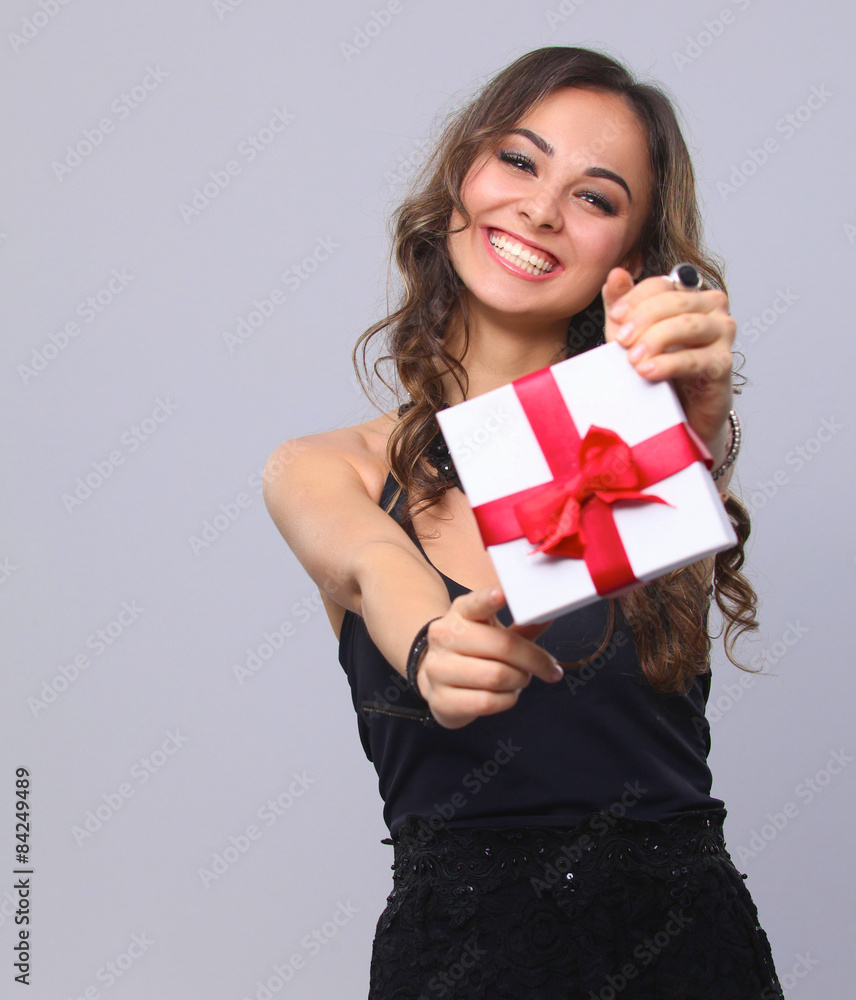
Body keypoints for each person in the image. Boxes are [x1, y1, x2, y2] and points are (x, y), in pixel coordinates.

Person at [263, 46, 783, 1000]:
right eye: (519, 160)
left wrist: (691, 431)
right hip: (461, 966)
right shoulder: (326, 468)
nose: (542, 208)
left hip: (691, 957)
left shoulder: (647, 448)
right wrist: (433, 643)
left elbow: (636, 508)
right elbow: (383, 570)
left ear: (626, 256)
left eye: (597, 196)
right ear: (461, 174)